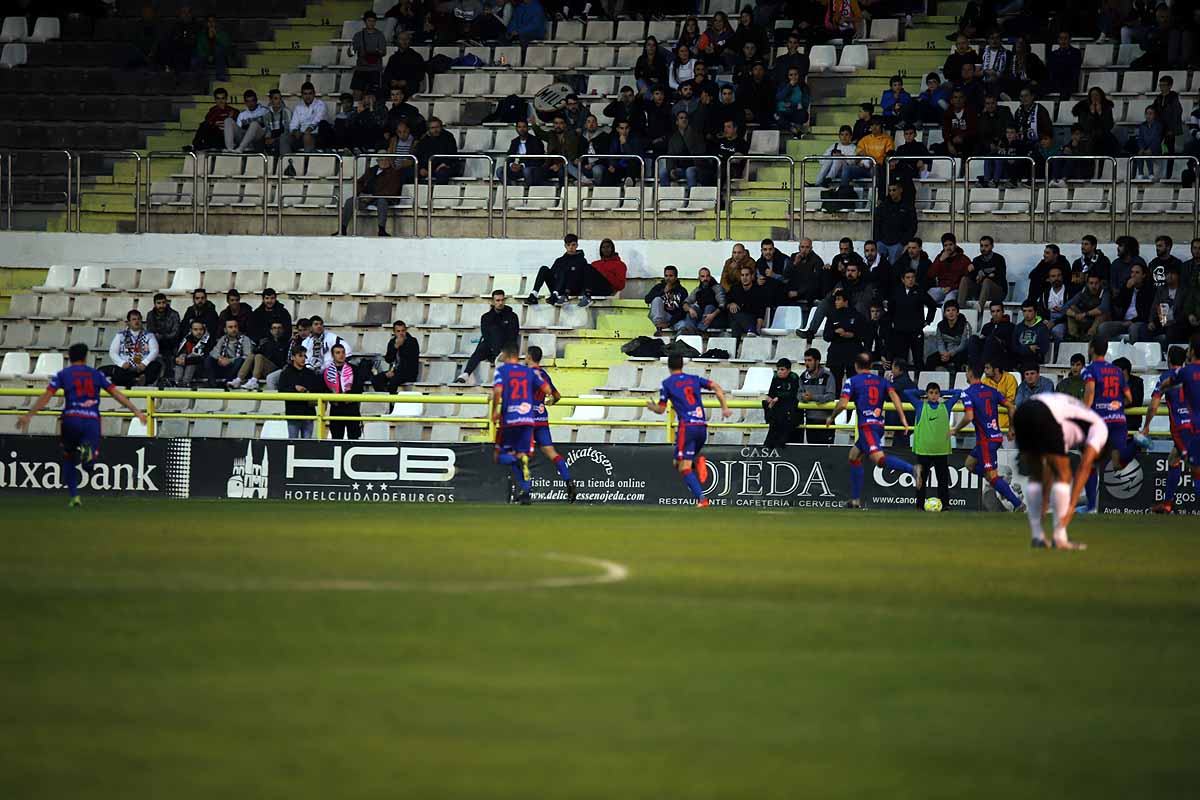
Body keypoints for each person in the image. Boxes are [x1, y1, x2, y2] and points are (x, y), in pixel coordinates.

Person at [16, 343, 147, 508]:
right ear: (86, 357)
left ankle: (74, 496)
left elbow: (47, 396)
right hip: (91, 420)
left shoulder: (64, 374)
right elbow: (116, 394)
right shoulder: (96, 374)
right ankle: (88, 455)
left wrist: (29, 415)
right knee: (89, 461)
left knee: (69, 457)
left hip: (71, 419)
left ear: (69, 358)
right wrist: (137, 411)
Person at [1012, 393, 1108, 549]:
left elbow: (1050, 468)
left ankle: (1038, 537)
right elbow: (1085, 466)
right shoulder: (1100, 428)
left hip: (1023, 410)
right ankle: (1060, 537)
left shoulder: (1069, 426)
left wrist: (1044, 500)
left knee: (1037, 474)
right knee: (1065, 474)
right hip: (1044, 412)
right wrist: (1072, 505)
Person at [827, 352, 914, 509]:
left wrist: (831, 417)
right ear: (870, 366)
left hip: (867, 427)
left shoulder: (852, 381)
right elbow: (894, 396)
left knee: (880, 460)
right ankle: (855, 500)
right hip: (878, 426)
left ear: (856, 365)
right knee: (854, 456)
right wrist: (903, 418)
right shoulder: (881, 381)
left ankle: (912, 469)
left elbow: (842, 404)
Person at [645, 353, 732, 508]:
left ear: (668, 366)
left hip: (687, 427)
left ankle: (702, 499)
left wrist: (652, 407)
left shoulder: (667, 383)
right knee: (677, 462)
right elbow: (716, 387)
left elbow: (661, 409)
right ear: (682, 365)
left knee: (682, 466)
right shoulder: (694, 379)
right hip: (701, 427)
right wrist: (724, 408)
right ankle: (695, 464)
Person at [1081, 337, 1144, 513]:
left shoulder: (1090, 370)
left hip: (1099, 422)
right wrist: (1115, 405)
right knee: (1117, 464)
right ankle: (1137, 442)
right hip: (1118, 420)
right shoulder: (1116, 371)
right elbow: (1130, 398)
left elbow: (1090, 392)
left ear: (1092, 348)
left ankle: (1092, 507)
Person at [951, 363, 1025, 511]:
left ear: (970, 373)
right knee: (969, 465)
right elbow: (1011, 406)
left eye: (966, 372)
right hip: (994, 436)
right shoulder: (992, 391)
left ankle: (1017, 503)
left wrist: (956, 429)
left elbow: (969, 416)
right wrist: (1011, 428)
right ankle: (997, 482)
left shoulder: (967, 392)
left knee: (992, 476)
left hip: (986, 441)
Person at [493, 343, 548, 505]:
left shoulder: (502, 371)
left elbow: (497, 392)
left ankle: (522, 481)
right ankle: (525, 490)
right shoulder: (528, 372)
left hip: (510, 420)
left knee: (501, 455)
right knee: (521, 455)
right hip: (527, 420)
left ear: (506, 355)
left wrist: (495, 411)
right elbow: (546, 389)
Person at [1142, 346, 1194, 514]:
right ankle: (1167, 504)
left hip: (1183, 428)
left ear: (1168, 360)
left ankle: (1167, 503)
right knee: (1174, 459)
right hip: (1196, 425)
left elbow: (1154, 406)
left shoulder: (1166, 377)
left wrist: (1147, 426)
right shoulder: (1192, 375)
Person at [526, 344, 577, 502]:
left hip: (527, 418)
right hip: (541, 418)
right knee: (551, 452)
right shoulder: (544, 375)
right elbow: (557, 395)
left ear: (529, 357)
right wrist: (549, 402)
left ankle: (525, 492)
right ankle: (568, 481)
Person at [902, 381, 961, 511]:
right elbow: (907, 392)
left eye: (936, 393)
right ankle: (919, 506)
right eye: (931, 393)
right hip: (924, 450)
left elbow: (958, 393)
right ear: (927, 394)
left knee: (943, 481)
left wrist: (943, 393)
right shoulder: (920, 406)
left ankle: (945, 505)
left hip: (941, 450)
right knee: (921, 480)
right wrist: (923, 392)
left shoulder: (946, 406)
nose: (934, 395)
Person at [457, 290, 519, 384]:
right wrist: (494, 348)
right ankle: (466, 373)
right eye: (497, 300)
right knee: (481, 348)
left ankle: (498, 356)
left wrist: (501, 348)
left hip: (507, 346)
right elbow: (486, 335)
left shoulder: (512, 316)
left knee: (496, 331)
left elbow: (513, 334)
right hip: (492, 347)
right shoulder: (486, 317)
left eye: (502, 300)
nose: (500, 303)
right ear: (493, 302)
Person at [888, 269, 937, 375]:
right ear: (903, 279)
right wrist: (893, 322)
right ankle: (902, 382)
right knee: (901, 359)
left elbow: (932, 305)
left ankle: (920, 381)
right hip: (900, 331)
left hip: (916, 330)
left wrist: (927, 321)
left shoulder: (920, 291)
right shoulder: (896, 292)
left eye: (912, 277)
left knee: (918, 358)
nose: (910, 280)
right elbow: (891, 309)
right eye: (908, 277)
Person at [528, 234, 590, 306]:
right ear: (565, 246)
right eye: (568, 245)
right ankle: (534, 294)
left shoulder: (581, 260)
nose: (571, 247)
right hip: (558, 288)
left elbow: (582, 277)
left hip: (571, 289)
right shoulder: (560, 260)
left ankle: (555, 295)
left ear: (577, 245)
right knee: (544, 268)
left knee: (565, 270)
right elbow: (553, 274)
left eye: (573, 245)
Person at [105, 310, 161, 388]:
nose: (137, 321)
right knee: (117, 372)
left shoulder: (149, 335)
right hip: (127, 367)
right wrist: (122, 363)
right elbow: (113, 352)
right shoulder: (121, 335)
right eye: (134, 319)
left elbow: (154, 351)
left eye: (138, 319)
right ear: (129, 322)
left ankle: (141, 379)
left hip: (142, 368)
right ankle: (135, 381)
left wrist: (145, 363)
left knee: (156, 366)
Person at [960, 235, 1007, 322]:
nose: (983, 248)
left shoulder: (999, 259)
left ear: (992, 246)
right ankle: (959, 309)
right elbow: (971, 278)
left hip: (998, 292)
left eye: (986, 246)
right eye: (981, 246)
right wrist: (970, 271)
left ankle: (979, 311)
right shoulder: (977, 260)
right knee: (964, 279)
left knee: (986, 281)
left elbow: (1000, 278)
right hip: (980, 291)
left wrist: (984, 276)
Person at [323, 343, 365, 440]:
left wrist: (349, 396)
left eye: (343, 352)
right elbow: (324, 389)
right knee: (337, 438)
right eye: (338, 353)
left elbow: (359, 387)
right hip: (336, 408)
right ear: (333, 355)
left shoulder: (354, 369)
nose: (341, 355)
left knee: (353, 438)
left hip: (352, 408)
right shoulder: (327, 372)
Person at [279, 347, 322, 439]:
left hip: (308, 413)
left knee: (307, 443)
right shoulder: (286, 373)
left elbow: (317, 389)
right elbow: (281, 390)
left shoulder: (310, 373)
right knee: (292, 441)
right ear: (293, 357)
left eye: (304, 356)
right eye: (300, 356)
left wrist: (308, 391)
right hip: (293, 413)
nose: (303, 358)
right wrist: (294, 388)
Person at [872, 181, 917, 267]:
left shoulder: (908, 206)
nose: (891, 193)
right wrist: (877, 240)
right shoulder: (883, 206)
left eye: (894, 190)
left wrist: (903, 242)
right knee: (877, 266)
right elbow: (876, 224)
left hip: (898, 243)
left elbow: (913, 226)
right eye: (890, 190)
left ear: (900, 190)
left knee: (895, 267)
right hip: (882, 242)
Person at [797, 348, 836, 444]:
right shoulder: (802, 377)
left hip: (826, 421)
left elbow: (831, 396)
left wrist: (813, 397)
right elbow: (798, 394)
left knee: (826, 454)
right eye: (805, 360)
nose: (807, 363)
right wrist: (803, 397)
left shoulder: (828, 376)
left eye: (809, 360)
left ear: (817, 361)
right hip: (810, 421)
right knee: (812, 453)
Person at [372, 320, 420, 392]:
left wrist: (401, 346)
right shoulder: (392, 342)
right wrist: (395, 347)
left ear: (406, 330)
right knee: (376, 379)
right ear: (394, 332)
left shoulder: (412, 341)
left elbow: (411, 360)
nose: (401, 333)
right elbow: (388, 359)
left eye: (403, 331)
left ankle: (392, 402)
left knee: (393, 382)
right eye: (398, 331)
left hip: (408, 373)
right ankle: (384, 399)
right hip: (395, 371)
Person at [763, 357, 800, 448]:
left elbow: (794, 393)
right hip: (777, 407)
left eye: (782, 369)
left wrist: (778, 398)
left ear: (789, 370)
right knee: (764, 403)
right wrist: (770, 398)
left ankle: (776, 442)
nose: (779, 372)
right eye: (778, 369)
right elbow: (771, 392)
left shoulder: (794, 377)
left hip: (789, 407)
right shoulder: (775, 377)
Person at [926, 300, 971, 374]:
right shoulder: (940, 325)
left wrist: (950, 353)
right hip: (945, 353)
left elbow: (964, 344)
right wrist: (943, 353)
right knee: (930, 360)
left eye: (953, 310)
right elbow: (939, 342)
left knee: (959, 360)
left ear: (958, 312)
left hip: (959, 352)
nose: (951, 313)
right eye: (948, 310)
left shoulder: (965, 325)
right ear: (944, 313)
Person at [206, 318, 254, 386]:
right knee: (209, 359)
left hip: (238, 368)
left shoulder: (245, 339)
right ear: (225, 330)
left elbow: (247, 357)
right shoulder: (223, 339)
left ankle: (226, 383)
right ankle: (212, 384)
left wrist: (230, 360)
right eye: (230, 327)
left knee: (240, 360)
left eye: (235, 327)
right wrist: (220, 358)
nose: (234, 329)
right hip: (224, 366)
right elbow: (213, 352)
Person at [725, 264, 769, 338]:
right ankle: (751, 331)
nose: (744, 278)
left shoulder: (758, 290)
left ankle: (751, 330)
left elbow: (761, 310)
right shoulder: (735, 288)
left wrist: (758, 328)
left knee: (735, 323)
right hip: (737, 316)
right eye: (742, 275)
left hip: (751, 318)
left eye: (747, 275)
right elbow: (726, 303)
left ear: (752, 276)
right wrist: (730, 304)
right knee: (733, 315)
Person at [1063, 273, 1110, 341]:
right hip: (1086, 319)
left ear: (1100, 283)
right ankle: (1073, 336)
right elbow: (1065, 307)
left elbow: (1103, 308)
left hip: (1099, 322)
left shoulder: (1105, 292)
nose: (1094, 286)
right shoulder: (1083, 292)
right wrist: (1075, 315)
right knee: (1072, 308)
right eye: (1091, 283)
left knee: (1102, 314)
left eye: (1096, 283)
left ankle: (1090, 335)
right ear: (1087, 284)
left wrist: (1085, 314)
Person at [678, 267, 725, 333]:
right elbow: (685, 302)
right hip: (703, 316)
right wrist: (690, 309)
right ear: (699, 278)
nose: (705, 279)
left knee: (709, 307)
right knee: (692, 307)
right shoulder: (698, 290)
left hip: (716, 317)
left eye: (707, 276)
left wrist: (712, 315)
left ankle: (700, 330)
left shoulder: (717, 288)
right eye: (702, 276)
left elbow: (722, 305)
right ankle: (691, 330)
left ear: (710, 277)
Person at [927, 233, 970, 304]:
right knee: (923, 298)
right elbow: (931, 275)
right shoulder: (940, 257)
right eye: (945, 245)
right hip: (941, 289)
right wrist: (940, 261)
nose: (948, 247)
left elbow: (966, 280)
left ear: (955, 245)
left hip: (955, 290)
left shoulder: (963, 259)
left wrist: (951, 287)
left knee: (948, 303)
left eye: (950, 244)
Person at [645, 265, 689, 333]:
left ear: (676, 277)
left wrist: (669, 323)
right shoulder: (659, 287)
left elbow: (682, 311)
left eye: (671, 276)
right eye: (666, 276)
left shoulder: (682, 291)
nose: (668, 278)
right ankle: (659, 326)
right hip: (662, 316)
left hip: (674, 318)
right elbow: (647, 299)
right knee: (657, 299)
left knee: (684, 326)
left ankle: (677, 342)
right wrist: (663, 291)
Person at [144, 293, 181, 372]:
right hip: (156, 342)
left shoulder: (174, 314)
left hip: (171, 343)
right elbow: (150, 330)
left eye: (163, 303)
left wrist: (163, 337)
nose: (161, 305)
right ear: (155, 304)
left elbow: (175, 332)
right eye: (159, 303)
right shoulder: (150, 315)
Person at [172, 320, 211, 386]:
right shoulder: (186, 339)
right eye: (195, 329)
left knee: (191, 356)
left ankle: (185, 383)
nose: (199, 332)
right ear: (191, 330)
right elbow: (177, 354)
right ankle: (178, 382)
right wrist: (176, 359)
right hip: (185, 365)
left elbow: (204, 358)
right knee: (181, 356)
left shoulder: (209, 340)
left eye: (201, 329)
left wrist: (186, 361)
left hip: (201, 367)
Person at [1011, 301, 1050, 365]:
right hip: (1019, 362)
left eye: (1030, 311)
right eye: (1024, 311)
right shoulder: (1018, 328)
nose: (1026, 314)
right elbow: (1014, 348)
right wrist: (1029, 348)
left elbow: (1043, 349)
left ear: (1035, 312)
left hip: (1035, 362)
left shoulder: (1042, 328)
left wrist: (1022, 349)